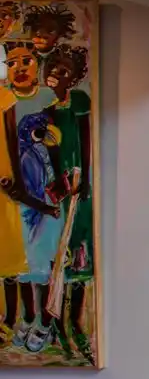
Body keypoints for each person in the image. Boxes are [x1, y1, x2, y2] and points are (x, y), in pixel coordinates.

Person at [0, 43, 59, 347]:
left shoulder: (45, 98)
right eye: (13, 62)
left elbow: (51, 140)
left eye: (26, 61)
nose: (20, 67)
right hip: (15, 187)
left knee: (40, 256)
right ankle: (24, 316)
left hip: (35, 179)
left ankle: (41, 320)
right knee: (21, 263)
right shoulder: (6, 96)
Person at [42, 44, 94, 361]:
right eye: (52, 68)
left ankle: (75, 323)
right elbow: (50, 152)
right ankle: (59, 325)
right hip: (61, 190)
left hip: (79, 190)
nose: (55, 75)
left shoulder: (79, 101)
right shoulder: (49, 113)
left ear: (75, 77)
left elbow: (86, 139)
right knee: (57, 257)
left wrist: (85, 180)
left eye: (63, 71)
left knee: (78, 255)